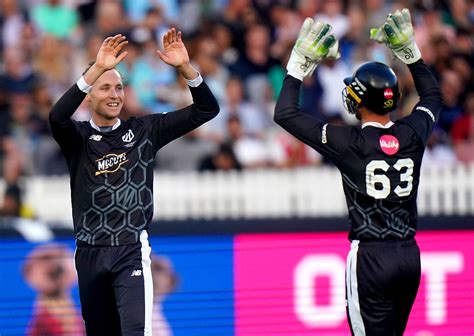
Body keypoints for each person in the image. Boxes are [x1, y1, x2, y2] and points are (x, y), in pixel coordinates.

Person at [274, 9, 442, 335]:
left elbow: (285, 113)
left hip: (371, 258)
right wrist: (411, 52)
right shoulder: (413, 133)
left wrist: (297, 65)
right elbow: (433, 95)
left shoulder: (349, 141)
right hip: (409, 254)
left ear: (362, 99)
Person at [49, 30, 219, 335]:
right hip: (89, 252)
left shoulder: (144, 130)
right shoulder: (77, 138)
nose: (115, 95)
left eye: (119, 87)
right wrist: (94, 70)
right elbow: (56, 117)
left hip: (130, 250)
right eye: (104, 88)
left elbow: (207, 109)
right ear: (89, 95)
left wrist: (186, 69)